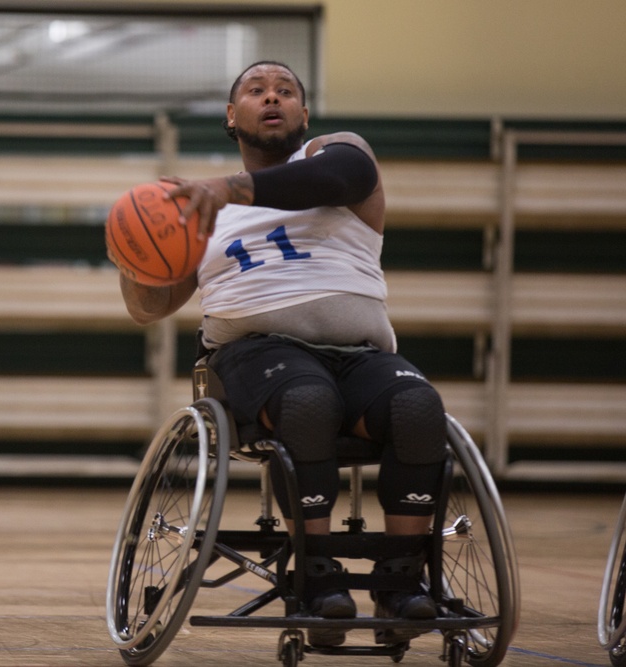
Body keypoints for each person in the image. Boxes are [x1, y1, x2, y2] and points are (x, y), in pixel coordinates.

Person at [114, 61, 447, 647]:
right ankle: (317, 578)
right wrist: (132, 254)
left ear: (304, 114)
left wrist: (231, 188)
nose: (272, 97)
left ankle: (401, 580)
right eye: (256, 90)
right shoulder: (202, 212)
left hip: (359, 354)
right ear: (231, 116)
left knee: (419, 406)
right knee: (306, 400)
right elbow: (150, 308)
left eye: (286, 91)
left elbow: (345, 175)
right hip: (253, 355)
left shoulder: (334, 156)